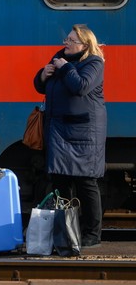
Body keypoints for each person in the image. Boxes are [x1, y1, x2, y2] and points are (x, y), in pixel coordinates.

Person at [33, 24, 106, 249]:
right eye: (67, 38)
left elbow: (81, 86)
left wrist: (64, 69)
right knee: (60, 181)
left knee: (86, 182)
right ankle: (67, 231)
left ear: (85, 44)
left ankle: (92, 234)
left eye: (72, 40)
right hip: (59, 131)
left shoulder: (94, 63)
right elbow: (43, 88)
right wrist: (42, 76)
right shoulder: (59, 58)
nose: (66, 43)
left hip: (84, 132)